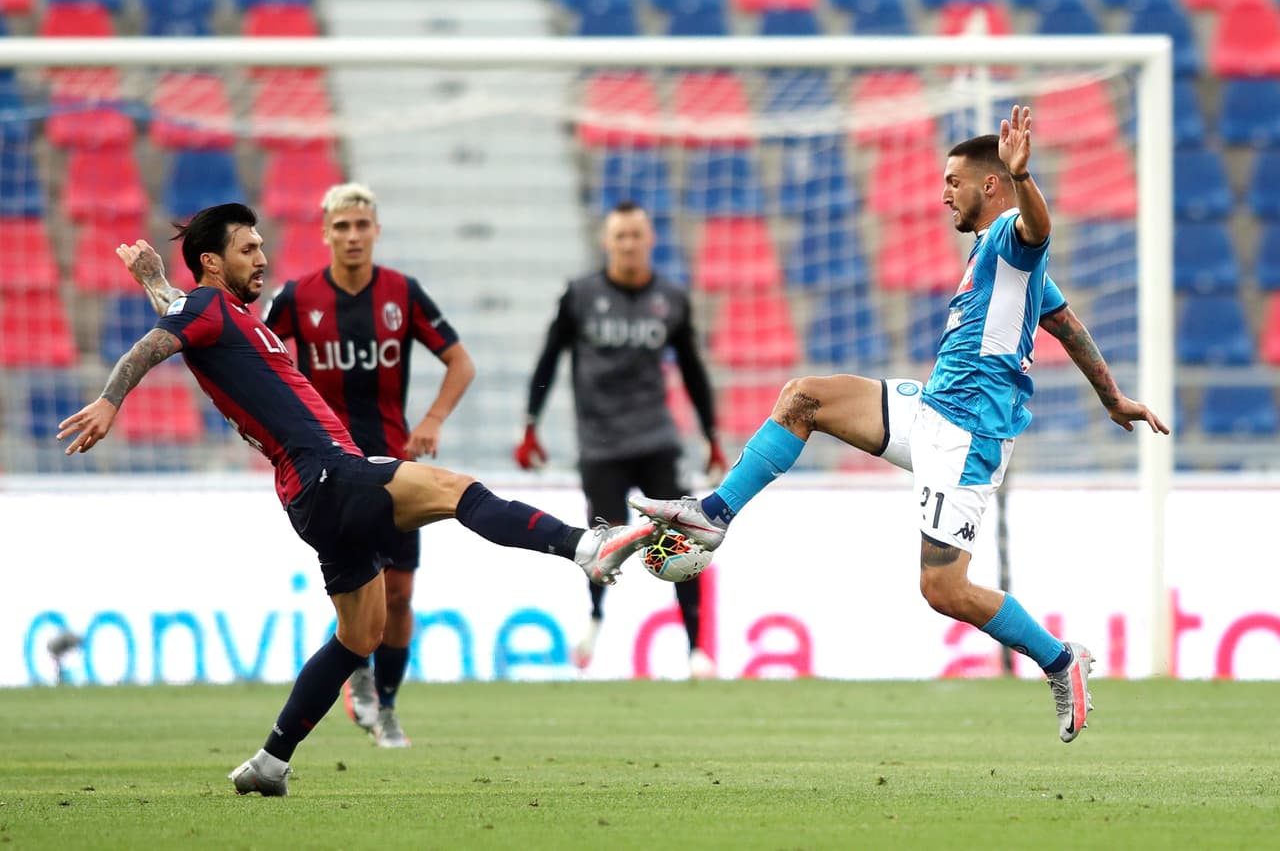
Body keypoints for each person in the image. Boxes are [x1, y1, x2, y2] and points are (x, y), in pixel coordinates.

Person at [58, 203, 660, 796]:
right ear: (212, 263)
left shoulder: (220, 313)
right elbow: (157, 342)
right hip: (327, 473)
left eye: (262, 245)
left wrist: (154, 280)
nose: (262, 257)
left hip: (309, 494)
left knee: (361, 634)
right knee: (455, 490)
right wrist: (111, 400)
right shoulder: (210, 306)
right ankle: (585, 547)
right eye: (249, 249)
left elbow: (180, 316)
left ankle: (271, 760)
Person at [629, 107, 1170, 742]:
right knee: (803, 398)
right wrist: (1112, 397)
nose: (943, 194)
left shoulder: (1011, 240)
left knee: (943, 590)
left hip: (969, 437)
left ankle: (1061, 660)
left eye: (953, 182)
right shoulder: (995, 262)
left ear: (990, 185)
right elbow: (1067, 325)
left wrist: (1026, 181)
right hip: (933, 409)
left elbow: (1037, 227)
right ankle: (713, 515)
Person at [255, 183, 473, 748]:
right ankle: (358, 676)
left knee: (400, 596)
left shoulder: (403, 293)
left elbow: (460, 362)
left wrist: (433, 420)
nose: (352, 236)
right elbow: (253, 362)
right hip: (332, 472)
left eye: (361, 225)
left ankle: (389, 704)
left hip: (396, 465)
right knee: (362, 596)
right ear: (326, 233)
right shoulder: (296, 299)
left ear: (376, 230)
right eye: (341, 226)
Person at [515, 200, 727, 678]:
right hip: (601, 444)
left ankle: (696, 650)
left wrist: (712, 435)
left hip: (656, 438)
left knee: (682, 537)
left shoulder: (671, 298)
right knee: (602, 538)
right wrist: (531, 423)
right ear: (607, 242)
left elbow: (692, 370)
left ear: (650, 241)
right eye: (620, 236)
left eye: (637, 235)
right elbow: (549, 359)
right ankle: (593, 620)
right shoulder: (580, 296)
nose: (629, 244)